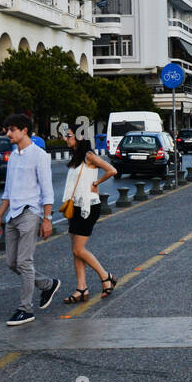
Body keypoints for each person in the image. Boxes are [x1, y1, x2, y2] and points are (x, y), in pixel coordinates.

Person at [0, 114, 60, 326]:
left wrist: (47, 219)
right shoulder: (13, 156)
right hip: (13, 214)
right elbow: (8, 190)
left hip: (31, 213)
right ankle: (48, 284)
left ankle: (25, 309)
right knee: (12, 263)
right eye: (7, 129)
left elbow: (47, 191)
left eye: (12, 129)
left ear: (24, 131)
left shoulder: (39, 156)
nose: (8, 133)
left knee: (24, 261)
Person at [60, 128, 119, 303]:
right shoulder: (76, 158)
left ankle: (106, 277)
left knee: (79, 249)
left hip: (89, 206)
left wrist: (96, 183)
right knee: (75, 251)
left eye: (69, 136)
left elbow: (112, 170)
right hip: (75, 206)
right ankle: (81, 288)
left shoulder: (89, 155)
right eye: (65, 136)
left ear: (79, 137)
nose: (66, 139)